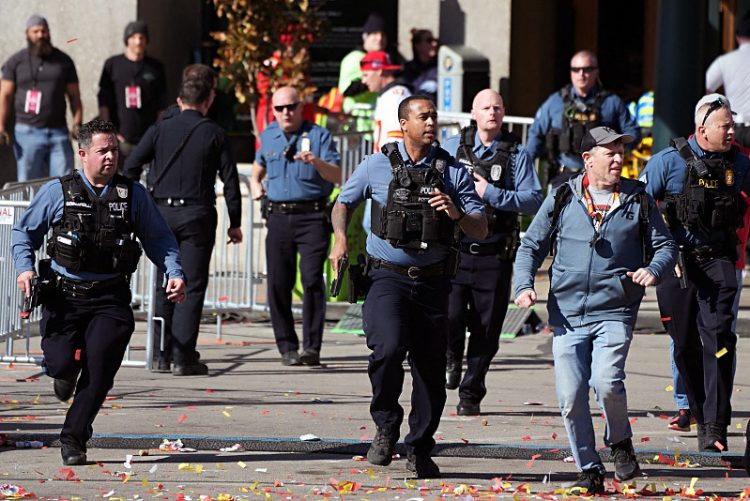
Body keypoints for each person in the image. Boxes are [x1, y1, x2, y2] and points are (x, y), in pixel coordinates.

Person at [329, 95, 487, 478]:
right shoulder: (375, 165)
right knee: (386, 348)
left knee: (430, 370)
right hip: (387, 278)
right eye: (424, 116)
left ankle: (419, 447)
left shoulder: (453, 172)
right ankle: (386, 425)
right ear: (404, 124)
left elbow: (481, 226)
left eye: (434, 116)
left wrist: (457, 212)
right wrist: (340, 239)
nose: (432, 122)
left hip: (434, 283)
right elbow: (342, 203)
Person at [11, 119, 185, 466]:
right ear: (83, 154)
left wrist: (174, 272)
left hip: (110, 297)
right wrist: (25, 268)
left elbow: (160, 239)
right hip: (64, 295)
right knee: (60, 362)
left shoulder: (132, 194)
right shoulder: (58, 191)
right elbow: (24, 232)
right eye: (102, 151)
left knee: (100, 369)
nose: (110, 157)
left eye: (114, 151)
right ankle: (62, 373)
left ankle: (73, 438)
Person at [514, 126, 677, 493]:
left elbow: (666, 247)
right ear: (588, 160)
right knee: (571, 396)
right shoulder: (560, 196)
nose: (619, 159)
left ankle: (619, 443)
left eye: (621, 152)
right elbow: (530, 247)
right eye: (611, 152)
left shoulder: (638, 199)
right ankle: (588, 467)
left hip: (616, 309)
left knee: (606, 383)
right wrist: (524, 286)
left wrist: (653, 270)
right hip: (567, 314)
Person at [640, 94, 750, 452]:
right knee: (683, 343)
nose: (732, 130)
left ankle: (716, 424)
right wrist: (652, 254)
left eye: (732, 125)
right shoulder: (668, 162)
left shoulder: (741, 164)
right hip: (676, 264)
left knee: (719, 340)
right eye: (725, 125)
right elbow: (638, 206)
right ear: (702, 129)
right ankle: (700, 413)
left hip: (718, 261)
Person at [123, 65, 242, 376]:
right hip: (197, 214)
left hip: (161, 213)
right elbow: (230, 182)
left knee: (165, 283)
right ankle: (183, 355)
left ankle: (160, 354)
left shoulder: (160, 127)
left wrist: (139, 203)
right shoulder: (214, 132)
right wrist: (235, 221)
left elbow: (132, 166)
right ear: (209, 99)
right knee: (190, 283)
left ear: (179, 98)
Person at [441, 89, 543, 415]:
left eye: (497, 107)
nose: (492, 113)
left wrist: (491, 193)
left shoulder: (516, 154)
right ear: (473, 113)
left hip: (494, 253)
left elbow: (532, 199)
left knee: (487, 330)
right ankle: (450, 356)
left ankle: (471, 393)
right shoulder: (452, 148)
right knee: (450, 317)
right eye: (485, 107)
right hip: (456, 250)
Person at [250, 86, 341, 367]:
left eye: (291, 107)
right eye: (279, 108)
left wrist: (315, 161)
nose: (286, 113)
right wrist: (255, 185)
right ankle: (287, 346)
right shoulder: (269, 135)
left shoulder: (318, 135)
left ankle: (311, 347)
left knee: (312, 279)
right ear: (273, 111)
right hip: (278, 217)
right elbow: (258, 167)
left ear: (301, 108)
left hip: (312, 216)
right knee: (278, 283)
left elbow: (338, 175)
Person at [525, 50, 640, 187]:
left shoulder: (612, 103)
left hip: (601, 179)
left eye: (587, 69)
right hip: (564, 177)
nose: (581, 74)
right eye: (576, 69)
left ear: (596, 72)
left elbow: (633, 133)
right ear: (571, 72)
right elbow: (535, 134)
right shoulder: (555, 102)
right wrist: (525, 168)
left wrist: (615, 152)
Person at [0, 15, 82, 182]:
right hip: (26, 133)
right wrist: (0, 126)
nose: (40, 35)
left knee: (64, 183)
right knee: (28, 185)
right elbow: (5, 95)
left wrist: (77, 122)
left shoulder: (63, 61)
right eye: (35, 31)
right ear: (27, 33)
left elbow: (74, 96)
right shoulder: (15, 62)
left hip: (58, 133)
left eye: (43, 31)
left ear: (49, 33)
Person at [97, 20, 167, 165]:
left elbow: (162, 103)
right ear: (127, 40)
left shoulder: (155, 67)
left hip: (147, 139)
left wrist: (157, 133)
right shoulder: (113, 65)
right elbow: (104, 100)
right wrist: (109, 132)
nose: (138, 42)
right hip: (121, 138)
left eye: (142, 38)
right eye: (134, 37)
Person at [337, 12, 388, 133]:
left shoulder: (385, 58)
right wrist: (375, 80)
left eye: (383, 34)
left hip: (375, 127)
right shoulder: (354, 58)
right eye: (374, 34)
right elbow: (346, 90)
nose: (379, 38)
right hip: (356, 128)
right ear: (365, 36)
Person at [706, 16, 750, 147]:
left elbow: (707, 90)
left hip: (733, 128)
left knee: (734, 166)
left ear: (737, 38)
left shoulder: (724, 61)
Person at [361, 51, 412, 151]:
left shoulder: (395, 96)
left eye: (365, 75)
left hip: (390, 163)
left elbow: (396, 139)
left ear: (379, 71)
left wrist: (388, 165)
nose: (363, 81)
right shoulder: (389, 95)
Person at [403, 29, 439, 104]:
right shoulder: (407, 69)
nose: (434, 44)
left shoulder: (440, 68)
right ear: (418, 45)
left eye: (435, 40)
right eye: (429, 41)